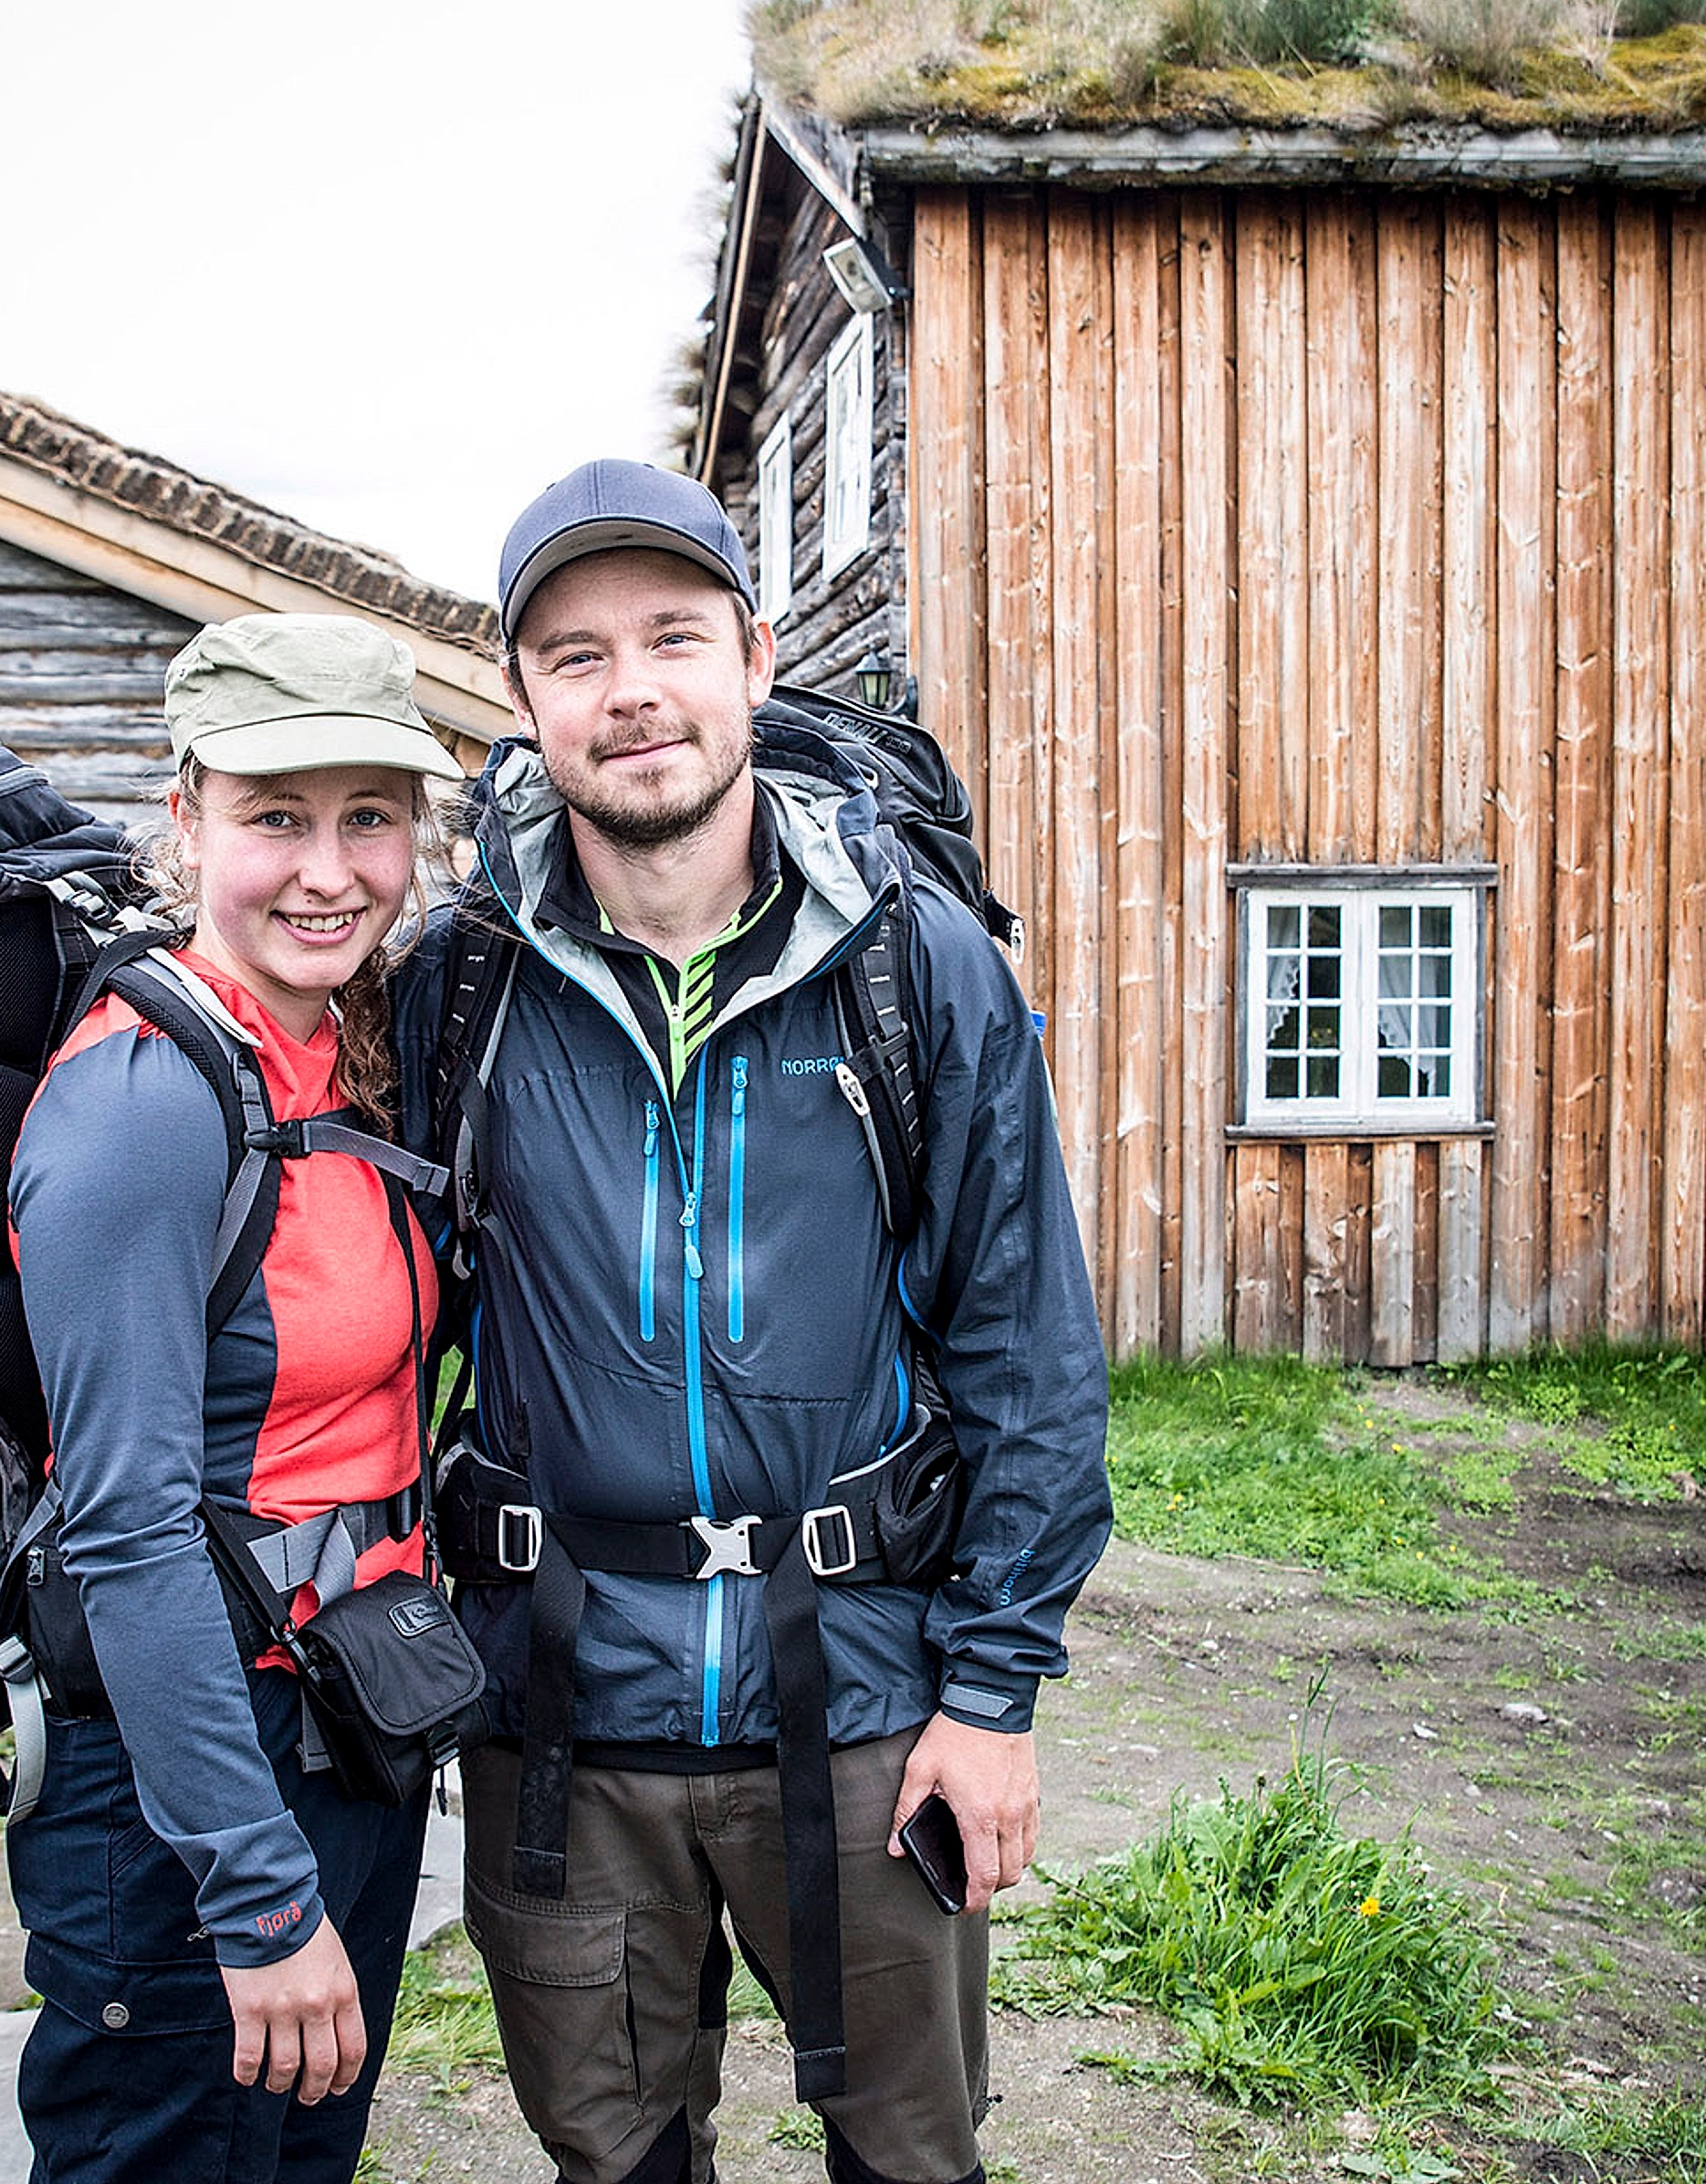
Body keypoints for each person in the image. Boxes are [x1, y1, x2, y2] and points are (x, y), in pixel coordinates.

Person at [402, 461, 1114, 2184]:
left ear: (758, 658)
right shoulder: (459, 984)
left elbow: (1027, 1350)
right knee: (619, 2164)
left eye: (672, 637)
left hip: (866, 1694)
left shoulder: (910, 962)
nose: (629, 687)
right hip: (563, 1711)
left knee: (909, 2160)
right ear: (524, 702)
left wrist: (995, 1692)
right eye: (575, 654)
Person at [5, 610, 465, 2184]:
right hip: (189, 1779)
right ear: (187, 818)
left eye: (369, 818)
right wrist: (257, 1895)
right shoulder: (144, 1100)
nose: (328, 869)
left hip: (345, 1716)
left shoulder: (340, 1053)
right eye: (277, 816)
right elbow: (126, 1530)